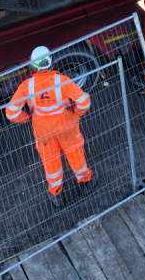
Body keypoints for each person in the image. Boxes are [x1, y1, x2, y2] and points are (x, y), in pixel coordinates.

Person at [6, 46, 93, 200]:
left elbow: (11, 113)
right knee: (75, 154)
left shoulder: (27, 86)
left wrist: (25, 117)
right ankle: (85, 181)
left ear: (33, 65)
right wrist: (77, 113)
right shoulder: (63, 81)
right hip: (66, 125)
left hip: (43, 130)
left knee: (50, 161)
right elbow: (84, 102)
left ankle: (56, 193)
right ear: (51, 62)